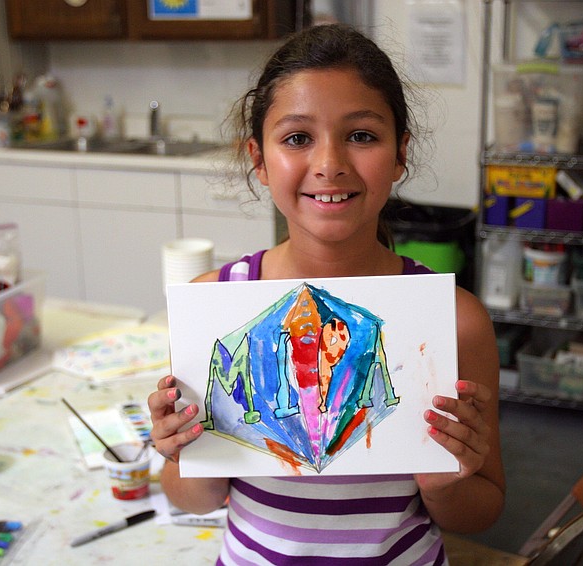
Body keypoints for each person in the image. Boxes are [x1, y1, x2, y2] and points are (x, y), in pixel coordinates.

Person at [148, 23, 505, 565]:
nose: (330, 162)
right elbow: (194, 497)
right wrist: (180, 452)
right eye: (297, 138)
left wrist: (447, 483)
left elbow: (482, 511)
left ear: (400, 152)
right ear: (259, 159)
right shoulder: (214, 308)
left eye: (362, 135)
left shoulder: (453, 321)